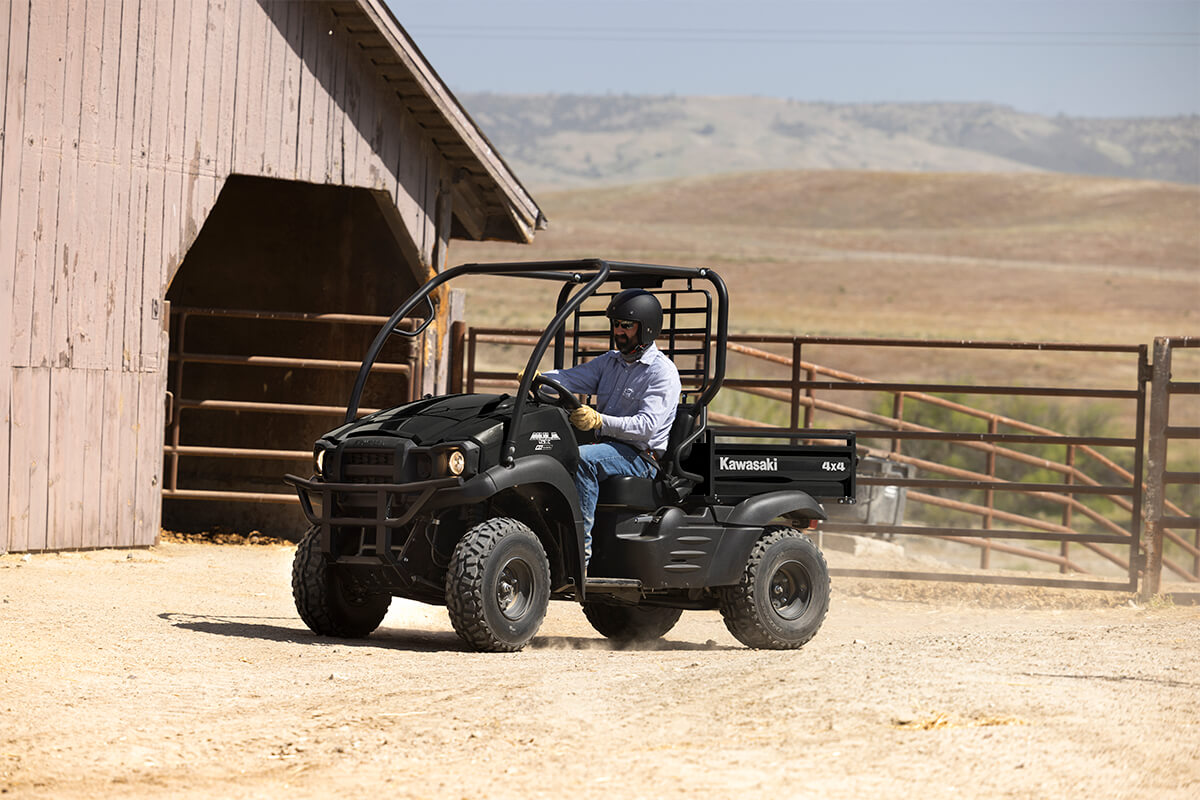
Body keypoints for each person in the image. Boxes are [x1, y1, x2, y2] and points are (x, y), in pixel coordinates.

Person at [538, 289, 682, 569]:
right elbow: (569, 378)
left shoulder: (661, 372)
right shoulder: (610, 362)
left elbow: (646, 428)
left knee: (582, 460)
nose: (619, 331)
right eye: (615, 324)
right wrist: (538, 378)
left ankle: (580, 554)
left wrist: (600, 420)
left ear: (646, 328)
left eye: (626, 325)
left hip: (640, 457)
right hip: (609, 449)